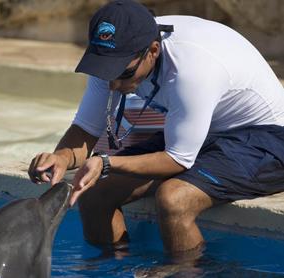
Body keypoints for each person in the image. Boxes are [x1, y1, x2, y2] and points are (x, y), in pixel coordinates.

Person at [28, 0, 284, 257]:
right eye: (106, 71)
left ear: (152, 50)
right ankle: (110, 270)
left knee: (174, 199)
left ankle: (185, 274)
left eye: (123, 73)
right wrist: (60, 157)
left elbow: (178, 159)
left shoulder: (192, 70)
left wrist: (106, 163)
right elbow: (85, 129)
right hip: (205, 131)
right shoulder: (116, 54)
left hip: (267, 139)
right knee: (94, 193)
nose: (113, 83)